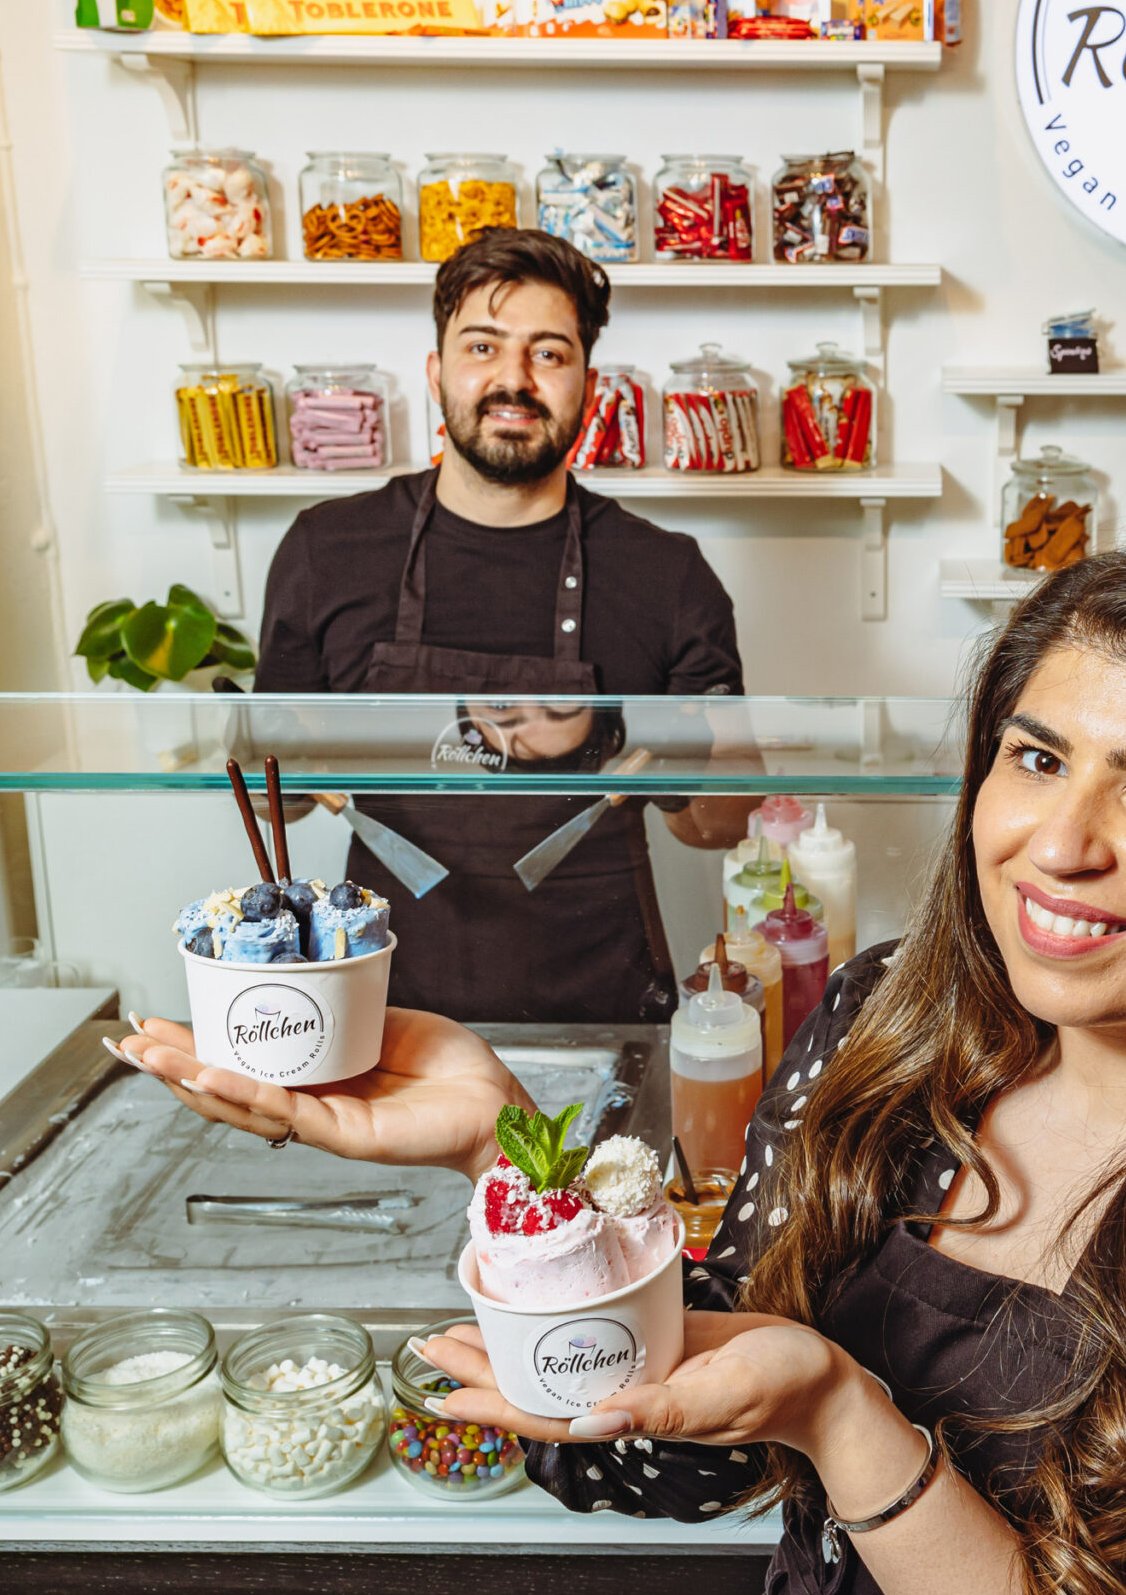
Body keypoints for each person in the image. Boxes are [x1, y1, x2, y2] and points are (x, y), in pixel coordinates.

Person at [119, 538, 1126, 1595]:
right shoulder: (893, 1028)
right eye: (1037, 756)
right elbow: (686, 1454)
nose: (1059, 846)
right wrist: (501, 1157)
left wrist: (845, 1414)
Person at [255, 229, 754, 1025]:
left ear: (588, 383)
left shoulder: (666, 574)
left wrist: (677, 763)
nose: (512, 380)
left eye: (549, 354)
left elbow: (722, 825)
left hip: (603, 1015)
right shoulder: (327, 551)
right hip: (378, 1020)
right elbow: (276, 796)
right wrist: (271, 755)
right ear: (436, 371)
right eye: (482, 346)